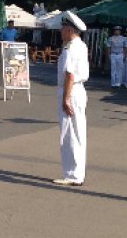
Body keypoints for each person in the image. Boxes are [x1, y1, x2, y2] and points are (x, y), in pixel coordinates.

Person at [53, 11, 89, 186]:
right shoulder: (81, 45)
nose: (61, 33)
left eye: (63, 29)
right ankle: (77, 172)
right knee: (78, 132)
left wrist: (66, 98)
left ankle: (72, 174)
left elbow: (70, 74)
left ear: (69, 30)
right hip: (78, 91)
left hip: (71, 91)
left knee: (70, 133)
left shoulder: (70, 48)